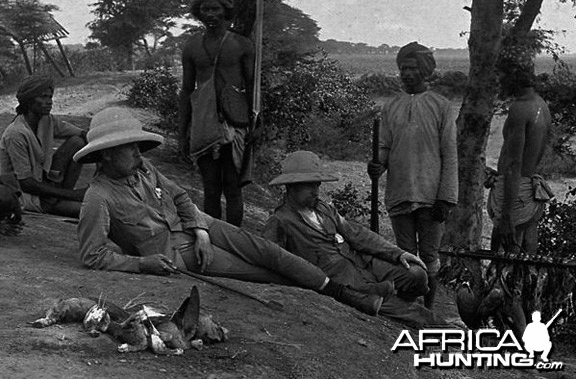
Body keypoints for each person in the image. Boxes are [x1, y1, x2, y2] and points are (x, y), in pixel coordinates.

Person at [74, 107, 383, 317]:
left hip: (199, 228)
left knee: (266, 250)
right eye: (130, 148)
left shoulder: (145, 169)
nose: (138, 154)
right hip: (178, 253)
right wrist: (143, 264)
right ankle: (347, 296)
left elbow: (180, 196)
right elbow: (93, 256)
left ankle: (349, 291)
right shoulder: (97, 198)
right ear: (107, 154)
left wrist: (201, 230)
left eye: (137, 146)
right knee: (264, 273)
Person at [263, 150, 440, 327]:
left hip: (365, 264)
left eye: (317, 185)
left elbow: (356, 234)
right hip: (348, 285)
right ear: (292, 187)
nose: (316, 191)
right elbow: (273, 260)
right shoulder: (281, 221)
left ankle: (397, 296)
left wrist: (398, 253)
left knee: (416, 274)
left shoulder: (323, 209)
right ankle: (450, 331)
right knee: (419, 316)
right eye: (309, 186)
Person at [367, 42, 458, 310]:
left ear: (425, 71)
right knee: (405, 254)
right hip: (399, 191)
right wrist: (377, 165)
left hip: (431, 195)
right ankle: (410, 306)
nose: (406, 73)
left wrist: (446, 198)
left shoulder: (441, 106)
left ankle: (428, 309)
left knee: (429, 255)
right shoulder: (391, 107)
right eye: (403, 68)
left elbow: (450, 155)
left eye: (413, 68)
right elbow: (383, 146)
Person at [179, 0, 254, 227]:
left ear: (226, 10)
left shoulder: (242, 45)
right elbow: (187, 91)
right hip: (203, 124)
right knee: (210, 189)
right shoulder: (191, 47)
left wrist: (258, 124)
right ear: (198, 12)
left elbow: (254, 89)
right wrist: (183, 132)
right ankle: (214, 240)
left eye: (215, 9)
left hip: (235, 124)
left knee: (233, 188)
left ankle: (236, 240)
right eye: (205, 9)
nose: (210, 14)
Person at [487, 57, 553, 254]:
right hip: (530, 191)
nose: (499, 82)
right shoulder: (541, 105)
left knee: (504, 256)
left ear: (512, 77)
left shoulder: (519, 109)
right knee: (527, 255)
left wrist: (506, 215)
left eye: (502, 76)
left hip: (515, 192)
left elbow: (514, 164)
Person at [0, 75, 87, 217]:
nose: (49, 102)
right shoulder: (16, 134)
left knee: (77, 142)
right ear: (28, 101)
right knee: (94, 211)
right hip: (29, 196)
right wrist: (73, 195)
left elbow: (80, 134)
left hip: (46, 184)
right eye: (43, 97)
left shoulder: (46, 120)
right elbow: (26, 183)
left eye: (50, 97)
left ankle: (61, 198)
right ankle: (62, 199)